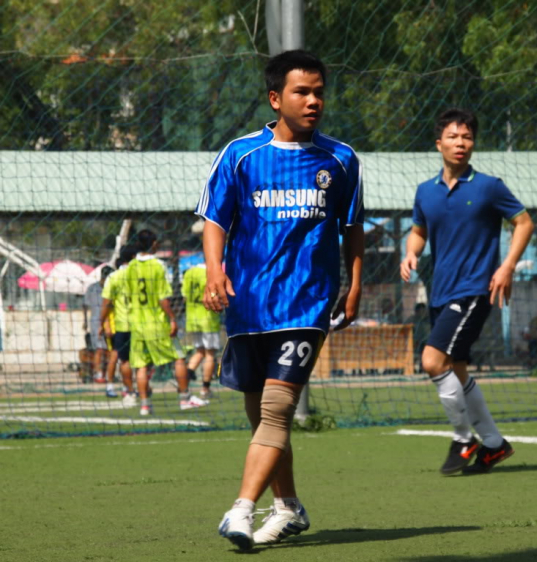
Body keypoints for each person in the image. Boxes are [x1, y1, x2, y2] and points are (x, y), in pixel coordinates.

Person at [196, 49, 364, 551]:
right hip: (248, 305)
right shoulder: (241, 155)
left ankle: (241, 509)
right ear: (275, 98)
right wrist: (213, 271)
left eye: (319, 92)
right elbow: (215, 221)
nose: (313, 101)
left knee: (276, 409)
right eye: (301, 92)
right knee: (261, 417)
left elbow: (351, 229)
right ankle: (288, 506)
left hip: (306, 305)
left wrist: (354, 284)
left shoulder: (341, 159)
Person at [400, 108, 534, 475]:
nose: (461, 144)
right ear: (438, 142)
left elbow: (524, 223)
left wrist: (506, 266)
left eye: (468, 137)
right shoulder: (426, 191)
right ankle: (494, 445)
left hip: (475, 289)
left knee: (431, 361)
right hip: (441, 292)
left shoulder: (489, 186)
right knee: (455, 369)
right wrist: (411, 252)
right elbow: (419, 229)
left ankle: (463, 439)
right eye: (454, 137)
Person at [125, 230, 208, 416]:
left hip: (137, 324)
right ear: (154, 244)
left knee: (141, 365)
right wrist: (172, 318)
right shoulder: (158, 266)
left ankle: (145, 405)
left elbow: (129, 295)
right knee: (179, 358)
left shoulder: (130, 266)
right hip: (157, 322)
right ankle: (185, 399)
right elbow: (163, 298)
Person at [100, 246, 137, 407]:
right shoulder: (141, 274)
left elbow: (106, 303)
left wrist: (101, 321)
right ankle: (139, 391)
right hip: (143, 323)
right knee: (143, 362)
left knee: (123, 360)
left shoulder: (114, 277)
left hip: (122, 325)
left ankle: (129, 391)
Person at [181, 262, 221, 399]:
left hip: (192, 318)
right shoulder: (212, 272)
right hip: (208, 318)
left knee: (199, 351)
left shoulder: (189, 273)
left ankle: (185, 377)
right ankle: (205, 389)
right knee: (210, 354)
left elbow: (185, 296)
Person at [83, 265, 115, 394]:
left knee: (110, 351)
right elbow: (85, 305)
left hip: (112, 321)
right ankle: (98, 374)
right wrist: (85, 321)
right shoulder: (92, 288)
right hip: (96, 322)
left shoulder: (112, 287)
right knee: (99, 349)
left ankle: (108, 374)